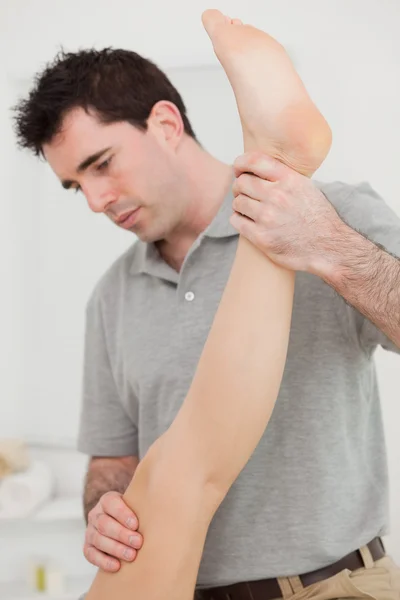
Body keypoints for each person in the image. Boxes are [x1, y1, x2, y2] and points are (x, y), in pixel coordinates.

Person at [12, 9, 400, 600]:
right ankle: (276, 151)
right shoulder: (112, 297)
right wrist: (102, 508)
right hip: (180, 582)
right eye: (76, 186)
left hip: (335, 585)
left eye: (101, 164)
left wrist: (330, 248)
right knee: (171, 473)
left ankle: (277, 154)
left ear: (166, 124)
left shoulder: (333, 215)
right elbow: (113, 460)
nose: (94, 200)